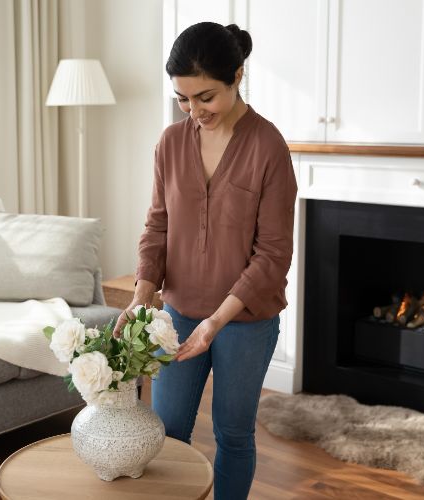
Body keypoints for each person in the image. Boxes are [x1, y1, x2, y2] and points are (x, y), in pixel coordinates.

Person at [113, 22, 298, 500]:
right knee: (168, 431)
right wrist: (140, 295)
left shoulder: (268, 147)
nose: (195, 111)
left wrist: (217, 320)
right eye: (183, 99)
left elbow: (274, 254)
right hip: (177, 313)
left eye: (206, 97)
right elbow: (158, 226)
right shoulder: (171, 143)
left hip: (246, 320)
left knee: (233, 434)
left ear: (237, 76)